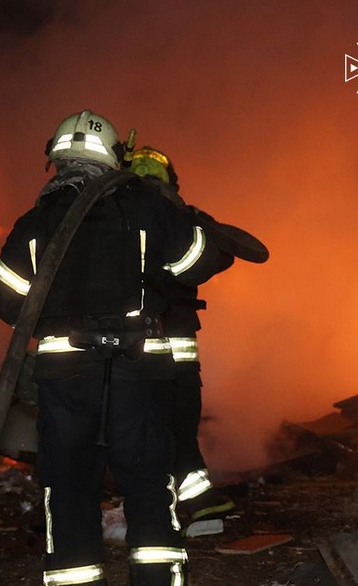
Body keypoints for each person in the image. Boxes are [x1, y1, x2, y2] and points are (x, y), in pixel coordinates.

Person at [0, 110, 232, 586]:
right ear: (115, 157)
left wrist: (52, 313)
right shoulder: (145, 205)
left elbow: (1, 295)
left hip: (66, 376)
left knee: (69, 487)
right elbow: (197, 263)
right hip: (139, 373)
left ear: (57, 161)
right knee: (148, 484)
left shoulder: (36, 222)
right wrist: (193, 237)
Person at [128, 147, 237, 528]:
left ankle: (190, 502)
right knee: (175, 423)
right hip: (170, 342)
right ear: (169, 178)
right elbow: (204, 263)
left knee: (155, 425)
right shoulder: (174, 215)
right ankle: (180, 506)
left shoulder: (117, 212)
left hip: (135, 346)